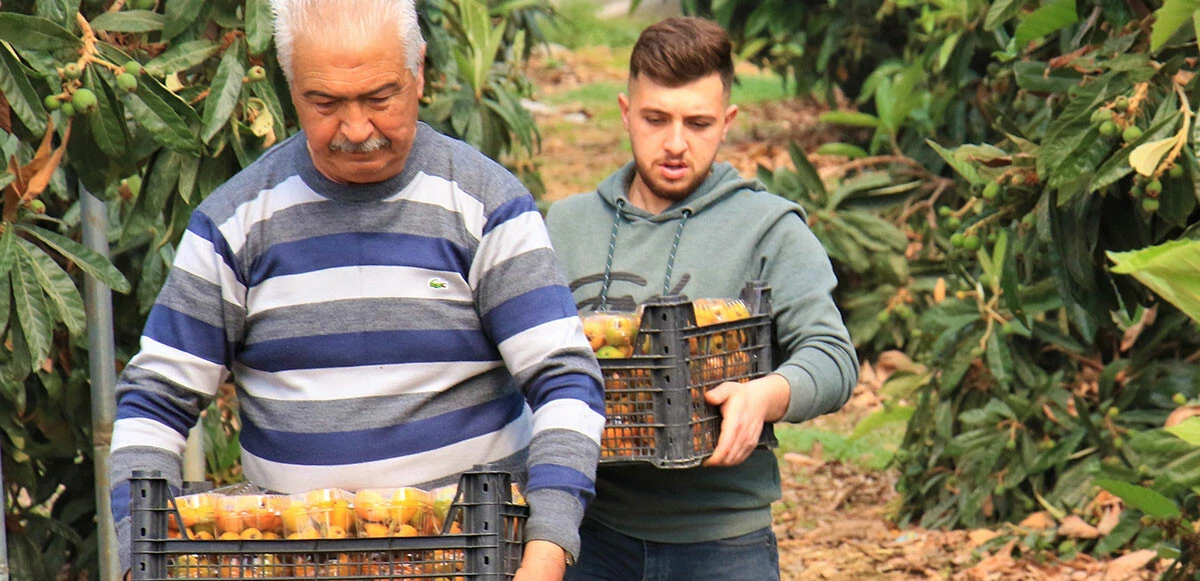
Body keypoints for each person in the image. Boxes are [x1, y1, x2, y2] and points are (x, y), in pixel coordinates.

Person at [108, 0, 605, 579]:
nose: (356, 128)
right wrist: (137, 560)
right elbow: (153, 403)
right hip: (294, 566)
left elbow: (566, 381)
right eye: (325, 103)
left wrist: (545, 550)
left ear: (418, 70)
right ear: (290, 87)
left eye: (379, 97)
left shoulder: (485, 205)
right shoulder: (236, 223)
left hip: (477, 561)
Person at [544, 17, 859, 580]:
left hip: (721, 542)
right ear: (624, 110)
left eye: (698, 123)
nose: (675, 143)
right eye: (655, 118)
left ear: (728, 122)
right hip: (588, 533)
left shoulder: (769, 228)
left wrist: (766, 395)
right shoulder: (565, 226)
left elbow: (832, 357)